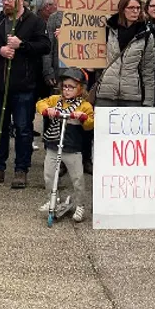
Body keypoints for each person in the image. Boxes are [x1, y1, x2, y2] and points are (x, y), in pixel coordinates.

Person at [0, 0, 50, 189]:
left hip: (23, 84)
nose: (5, 2)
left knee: (23, 128)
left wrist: (22, 45)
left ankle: (21, 169)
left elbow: (45, 46)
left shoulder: (34, 21)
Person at [36, 67, 95, 222]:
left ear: (80, 88)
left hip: (73, 148)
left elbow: (90, 124)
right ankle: (52, 198)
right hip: (53, 144)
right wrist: (47, 110)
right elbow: (41, 103)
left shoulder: (84, 106)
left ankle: (80, 204)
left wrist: (82, 118)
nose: (67, 90)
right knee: (49, 175)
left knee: (77, 179)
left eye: (72, 87)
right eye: (65, 86)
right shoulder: (56, 100)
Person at [95, 0, 155, 109]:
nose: (135, 11)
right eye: (131, 7)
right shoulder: (108, 29)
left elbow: (148, 71)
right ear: (123, 9)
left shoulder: (146, 35)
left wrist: (148, 100)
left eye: (138, 8)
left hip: (131, 96)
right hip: (106, 94)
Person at [44, 0, 85, 89]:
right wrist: (48, 71)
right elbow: (48, 47)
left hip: (82, 71)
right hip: (61, 71)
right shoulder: (55, 18)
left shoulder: (88, 18)